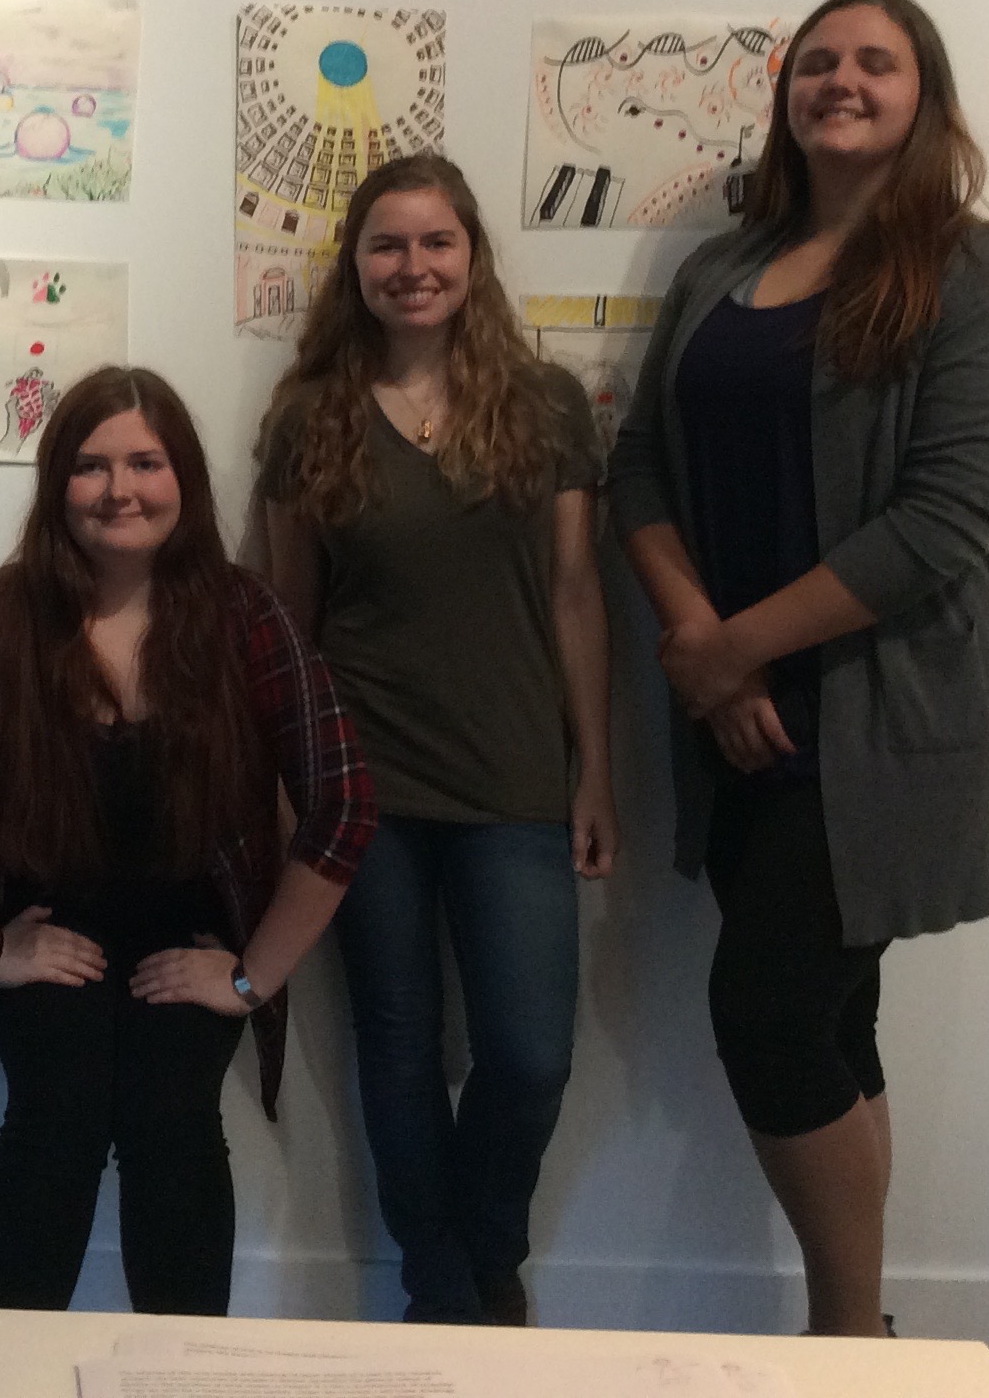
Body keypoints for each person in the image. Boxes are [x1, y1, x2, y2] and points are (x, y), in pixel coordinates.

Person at [610, 0, 989, 1337]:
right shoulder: (721, 268)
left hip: (890, 712)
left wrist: (729, 652)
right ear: (786, 92)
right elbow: (641, 465)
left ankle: (846, 1343)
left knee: (766, 1012)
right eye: (817, 62)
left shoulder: (978, 278)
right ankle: (861, 1338)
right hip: (736, 705)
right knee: (829, 1018)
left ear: (927, 96)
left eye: (875, 62)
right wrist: (710, 655)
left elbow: (943, 519)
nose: (841, 81)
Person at [0, 367, 375, 1316]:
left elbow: (343, 803)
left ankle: (179, 1372)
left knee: (173, 1121)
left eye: (145, 463)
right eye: (90, 466)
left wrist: (251, 978)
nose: (118, 488)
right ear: (58, 485)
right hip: (46, 926)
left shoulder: (246, 616)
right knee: (59, 1115)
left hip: (195, 938)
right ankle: (4, 1372)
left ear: (185, 480)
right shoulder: (4, 614)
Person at [255, 153, 618, 1325]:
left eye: (435, 242)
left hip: (515, 776)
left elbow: (575, 594)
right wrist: (284, 782)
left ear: (472, 257)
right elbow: (289, 619)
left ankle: (484, 1252)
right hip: (361, 785)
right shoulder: (310, 417)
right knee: (399, 1047)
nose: (412, 266)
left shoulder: (546, 404)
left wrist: (596, 772)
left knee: (528, 1054)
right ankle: (446, 1288)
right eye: (387, 245)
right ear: (355, 267)